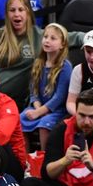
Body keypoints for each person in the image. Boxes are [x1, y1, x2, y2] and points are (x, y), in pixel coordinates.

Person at [20, 22, 71, 153]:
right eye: (45, 37)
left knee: (44, 125)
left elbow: (59, 97)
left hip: (57, 110)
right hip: (39, 107)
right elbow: (34, 92)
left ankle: (45, 160)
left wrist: (40, 112)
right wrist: (37, 108)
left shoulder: (65, 67)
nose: (47, 41)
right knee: (19, 120)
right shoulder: (38, 63)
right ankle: (25, 159)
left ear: (62, 44)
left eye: (53, 38)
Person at [65, 29, 93, 117]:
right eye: (88, 52)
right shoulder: (79, 70)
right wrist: (81, 115)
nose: (91, 57)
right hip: (82, 114)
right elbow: (71, 102)